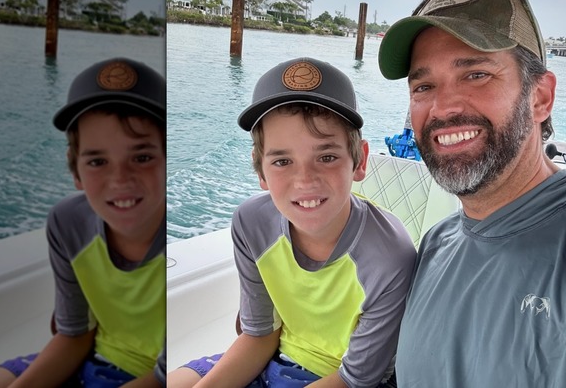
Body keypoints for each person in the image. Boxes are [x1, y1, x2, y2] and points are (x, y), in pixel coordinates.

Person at [377, 0, 566, 386]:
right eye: (423, 86)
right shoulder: (436, 242)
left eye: (476, 74)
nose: (442, 108)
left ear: (540, 98)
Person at [167, 57, 415, 388]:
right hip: (274, 357)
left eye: (326, 157)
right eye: (283, 161)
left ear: (359, 160)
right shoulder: (251, 223)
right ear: (260, 171)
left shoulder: (389, 255)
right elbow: (259, 335)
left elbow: (357, 379)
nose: (305, 180)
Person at [0, 58, 167, 387]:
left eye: (142, 157)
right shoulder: (68, 222)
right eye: (97, 161)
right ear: (76, 172)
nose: (120, 179)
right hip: (91, 357)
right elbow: (74, 335)